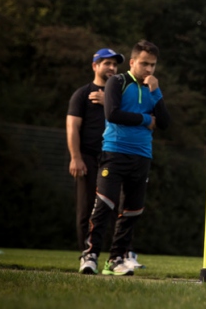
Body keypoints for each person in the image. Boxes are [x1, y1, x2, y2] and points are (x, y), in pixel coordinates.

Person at [79, 40, 170, 275]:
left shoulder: (153, 89)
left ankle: (116, 260)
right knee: (105, 205)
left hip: (142, 155)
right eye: (144, 64)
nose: (149, 70)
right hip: (115, 151)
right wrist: (145, 120)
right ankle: (90, 256)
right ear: (132, 62)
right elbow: (112, 114)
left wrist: (157, 91)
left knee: (132, 211)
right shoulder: (117, 82)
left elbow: (166, 123)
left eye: (153, 65)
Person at [67, 48, 145, 271]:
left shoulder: (120, 91)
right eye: (106, 63)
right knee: (87, 209)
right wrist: (75, 157)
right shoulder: (82, 94)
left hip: (116, 156)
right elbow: (72, 127)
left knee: (119, 208)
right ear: (95, 66)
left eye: (114, 64)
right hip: (89, 158)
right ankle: (88, 256)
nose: (111, 68)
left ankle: (121, 255)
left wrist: (107, 102)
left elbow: (131, 113)